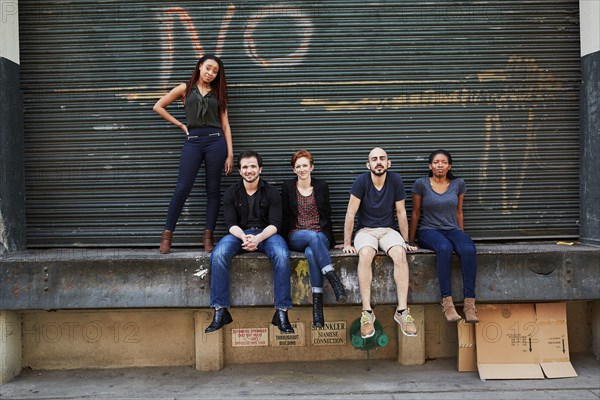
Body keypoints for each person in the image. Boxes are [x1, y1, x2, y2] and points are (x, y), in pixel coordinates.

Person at [205, 150, 294, 334]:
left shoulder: (271, 192)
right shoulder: (231, 193)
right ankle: (220, 311)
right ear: (239, 171)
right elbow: (230, 224)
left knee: (282, 254)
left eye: (253, 166)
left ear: (260, 169)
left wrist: (258, 238)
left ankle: (282, 312)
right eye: (245, 167)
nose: (249, 170)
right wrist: (245, 238)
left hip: (267, 235)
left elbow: (275, 225)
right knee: (218, 254)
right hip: (240, 234)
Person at [153, 54, 234, 254]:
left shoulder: (218, 93)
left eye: (215, 71)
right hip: (193, 142)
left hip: (216, 141)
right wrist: (181, 124)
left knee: (213, 190)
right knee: (182, 188)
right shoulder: (184, 89)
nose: (210, 73)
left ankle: (208, 237)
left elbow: (225, 124)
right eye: (208, 68)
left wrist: (230, 154)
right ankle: (167, 235)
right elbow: (158, 106)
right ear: (199, 67)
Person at [342, 147, 419, 339]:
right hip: (365, 231)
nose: (378, 162)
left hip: (388, 231)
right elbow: (351, 212)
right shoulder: (361, 181)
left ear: (388, 163)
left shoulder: (395, 180)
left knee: (400, 254)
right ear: (368, 165)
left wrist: (406, 240)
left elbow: (401, 212)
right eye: (374, 159)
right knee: (366, 254)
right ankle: (367, 313)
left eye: (382, 158)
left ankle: (402, 312)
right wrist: (347, 243)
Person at [409, 149, 478, 323]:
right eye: (436, 162)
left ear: (449, 166)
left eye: (444, 162)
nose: (440, 165)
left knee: (469, 248)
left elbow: (459, 212)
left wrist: (461, 236)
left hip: (452, 229)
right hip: (428, 231)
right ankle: (447, 302)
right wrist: (409, 241)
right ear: (430, 166)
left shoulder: (458, 184)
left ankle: (469, 304)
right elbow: (415, 214)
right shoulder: (421, 184)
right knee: (444, 248)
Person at [281, 150, 347, 328]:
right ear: (294, 170)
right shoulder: (288, 188)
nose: (302, 169)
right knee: (311, 236)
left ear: (312, 167)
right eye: (298, 166)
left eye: (305, 165)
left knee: (312, 252)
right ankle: (332, 277)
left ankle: (317, 309)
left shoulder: (321, 186)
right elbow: (285, 217)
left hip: (320, 236)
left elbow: (328, 215)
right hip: (297, 235)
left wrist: (332, 242)